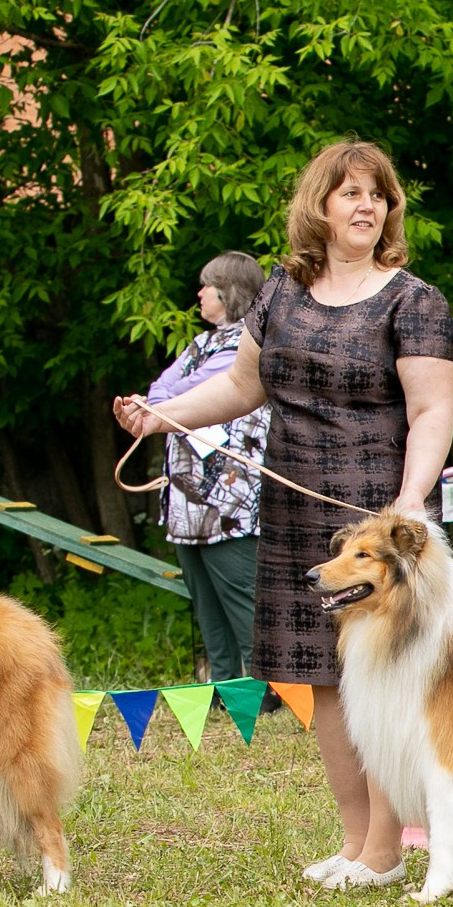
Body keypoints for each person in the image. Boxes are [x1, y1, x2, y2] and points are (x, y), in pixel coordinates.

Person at [115, 141, 453, 890]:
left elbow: (432, 410)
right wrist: (161, 415)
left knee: (385, 680)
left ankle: (389, 847)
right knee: (320, 677)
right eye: (350, 193)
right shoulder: (281, 292)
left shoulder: (414, 300)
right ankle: (357, 839)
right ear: (321, 207)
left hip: (376, 521)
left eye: (378, 194)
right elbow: (241, 387)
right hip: (296, 508)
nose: (366, 205)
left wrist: (409, 502)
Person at [147, 252, 270, 683]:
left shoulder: (250, 341)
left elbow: (188, 390)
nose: (198, 293)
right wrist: (164, 399)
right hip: (186, 499)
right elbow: (161, 389)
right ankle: (221, 686)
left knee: (240, 597)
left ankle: (265, 688)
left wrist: (164, 400)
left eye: (206, 285)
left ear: (228, 291)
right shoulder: (200, 344)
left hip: (229, 501)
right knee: (205, 604)